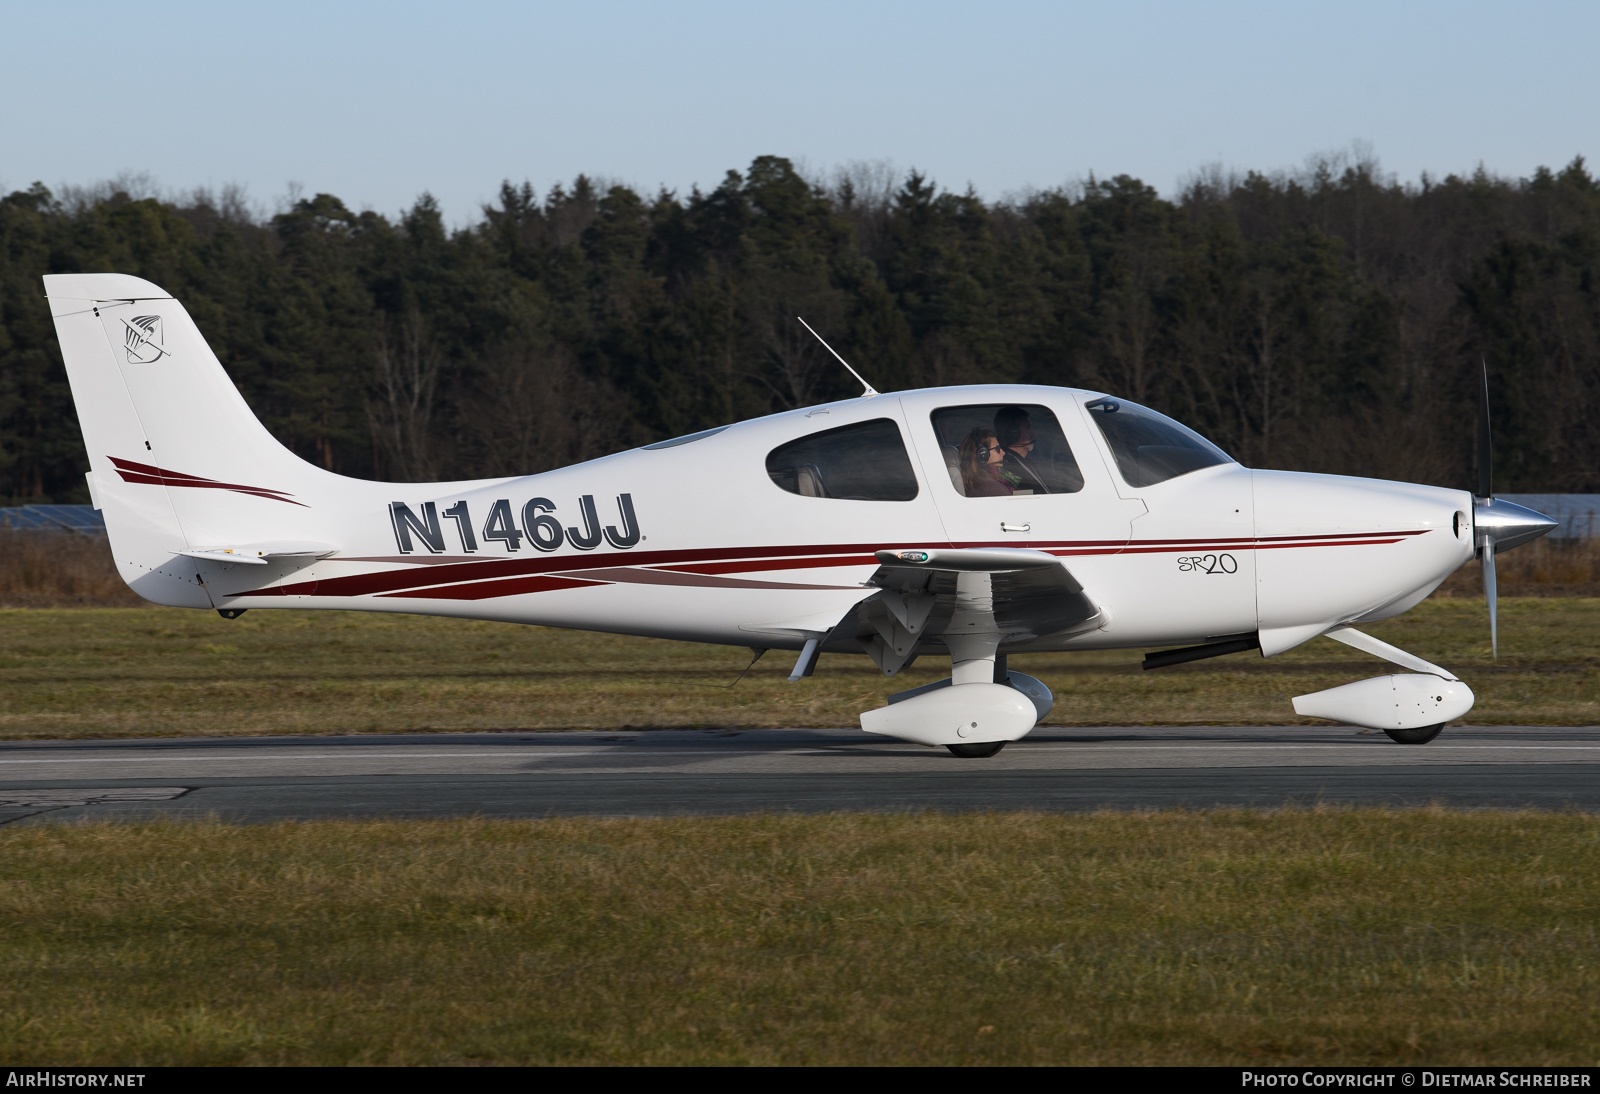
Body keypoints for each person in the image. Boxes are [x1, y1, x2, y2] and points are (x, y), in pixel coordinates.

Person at [994, 405, 1050, 494]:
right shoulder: (1007, 468)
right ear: (1013, 434)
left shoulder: (1024, 461)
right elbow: (1022, 499)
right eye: (1028, 428)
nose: (1033, 433)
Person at [959, 428, 1012, 496]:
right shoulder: (991, 488)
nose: (1003, 452)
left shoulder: (981, 480)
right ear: (982, 455)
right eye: (997, 449)